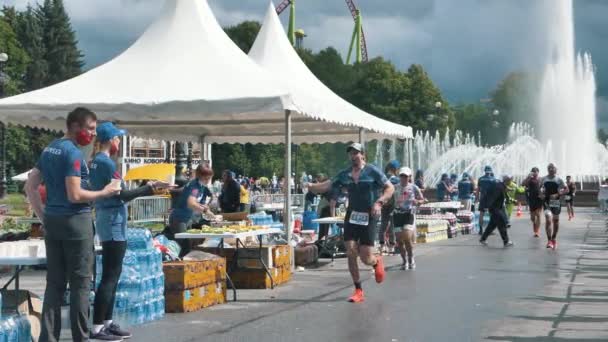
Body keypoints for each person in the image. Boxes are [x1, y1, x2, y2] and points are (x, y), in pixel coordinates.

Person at [24, 108, 121, 342]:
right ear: (75, 126)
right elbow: (75, 194)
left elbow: (30, 187)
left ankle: (49, 337)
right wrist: (105, 191)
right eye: (89, 129)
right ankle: (81, 337)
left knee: (54, 284)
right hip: (76, 222)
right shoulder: (73, 154)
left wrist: (44, 216)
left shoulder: (49, 149)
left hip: (54, 222)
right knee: (80, 284)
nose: (92, 134)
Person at [89, 122, 171, 341]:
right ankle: (98, 327)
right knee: (111, 275)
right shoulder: (105, 163)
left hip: (109, 220)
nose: (119, 142)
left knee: (112, 275)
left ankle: (106, 322)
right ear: (110, 140)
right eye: (117, 138)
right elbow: (122, 195)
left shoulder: (98, 162)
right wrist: (150, 188)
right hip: (114, 222)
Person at [309, 143, 394, 303]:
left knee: (365, 257)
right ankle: (358, 290)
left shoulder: (372, 171)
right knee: (350, 251)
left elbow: (389, 188)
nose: (353, 156)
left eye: (356, 153)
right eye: (350, 153)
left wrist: (379, 202)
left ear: (362, 154)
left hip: (369, 215)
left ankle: (376, 262)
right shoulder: (345, 174)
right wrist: (311, 186)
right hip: (352, 215)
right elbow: (328, 185)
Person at [167, 164, 214, 257]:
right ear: (199, 176)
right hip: (179, 218)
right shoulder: (195, 187)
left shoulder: (201, 186)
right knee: (183, 246)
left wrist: (207, 209)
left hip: (187, 219)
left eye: (209, 178)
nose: (208, 181)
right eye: (206, 178)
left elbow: (197, 202)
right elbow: (191, 203)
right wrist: (205, 211)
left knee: (187, 246)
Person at [393, 167, 424, 270]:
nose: (403, 178)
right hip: (397, 215)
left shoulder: (414, 187)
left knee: (407, 238)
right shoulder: (395, 187)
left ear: (409, 177)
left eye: (405, 176)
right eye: (402, 176)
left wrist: (417, 202)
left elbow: (422, 199)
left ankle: (411, 258)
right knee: (399, 241)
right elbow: (388, 197)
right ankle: (404, 261)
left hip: (408, 214)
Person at [479, 175, 514, 248]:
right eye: (510, 180)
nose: (511, 182)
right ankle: (506, 241)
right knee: (502, 224)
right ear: (507, 181)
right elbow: (493, 197)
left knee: (492, 225)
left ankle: (483, 239)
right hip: (495, 209)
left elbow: (505, 188)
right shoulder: (499, 187)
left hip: (495, 208)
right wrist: (488, 206)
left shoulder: (500, 185)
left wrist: (510, 189)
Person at [541, 163, 568, 249]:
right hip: (547, 201)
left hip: (555, 201)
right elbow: (539, 188)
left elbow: (566, 189)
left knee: (555, 221)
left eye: (553, 168)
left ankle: (554, 238)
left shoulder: (559, 179)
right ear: (547, 169)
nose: (551, 169)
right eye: (549, 168)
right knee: (548, 220)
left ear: (556, 170)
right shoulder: (544, 179)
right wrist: (540, 194)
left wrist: (558, 194)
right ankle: (549, 241)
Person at [378, 160, 400, 255]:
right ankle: (391, 245)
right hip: (392, 205)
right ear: (395, 169)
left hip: (383, 204)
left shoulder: (383, 177)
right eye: (398, 169)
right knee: (391, 226)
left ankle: (382, 246)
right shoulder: (395, 179)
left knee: (383, 225)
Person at [522, 167, 543, 237]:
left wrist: (543, 193)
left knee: (538, 215)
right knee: (532, 218)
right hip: (532, 199)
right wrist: (528, 176)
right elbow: (523, 184)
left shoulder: (540, 179)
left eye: (536, 171)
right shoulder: (530, 179)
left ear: (538, 172)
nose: (534, 172)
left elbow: (544, 187)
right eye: (533, 171)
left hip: (539, 199)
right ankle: (534, 224)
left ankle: (537, 231)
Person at [476, 166, 495, 235]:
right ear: (491, 171)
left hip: (483, 198)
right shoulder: (493, 179)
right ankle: (490, 230)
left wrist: (477, 198)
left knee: (481, 214)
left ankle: (480, 230)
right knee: (491, 215)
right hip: (490, 199)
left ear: (484, 171)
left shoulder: (480, 179)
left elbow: (478, 190)